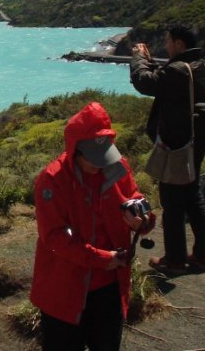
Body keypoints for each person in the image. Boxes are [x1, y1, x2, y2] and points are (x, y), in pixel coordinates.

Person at [30, 101, 155, 351]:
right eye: (93, 158)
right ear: (75, 150)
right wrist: (101, 258)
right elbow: (54, 238)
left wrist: (144, 221)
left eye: (104, 155)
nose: (100, 164)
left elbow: (136, 199)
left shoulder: (118, 167)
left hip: (110, 286)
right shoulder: (52, 181)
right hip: (63, 291)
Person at [130, 24, 205, 275]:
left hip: (176, 144)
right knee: (193, 196)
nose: (166, 44)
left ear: (179, 44)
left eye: (168, 41)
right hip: (193, 142)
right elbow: (167, 79)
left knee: (172, 202)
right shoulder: (195, 65)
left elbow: (145, 82)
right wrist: (149, 60)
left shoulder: (179, 70)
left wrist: (138, 59)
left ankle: (175, 260)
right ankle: (202, 256)